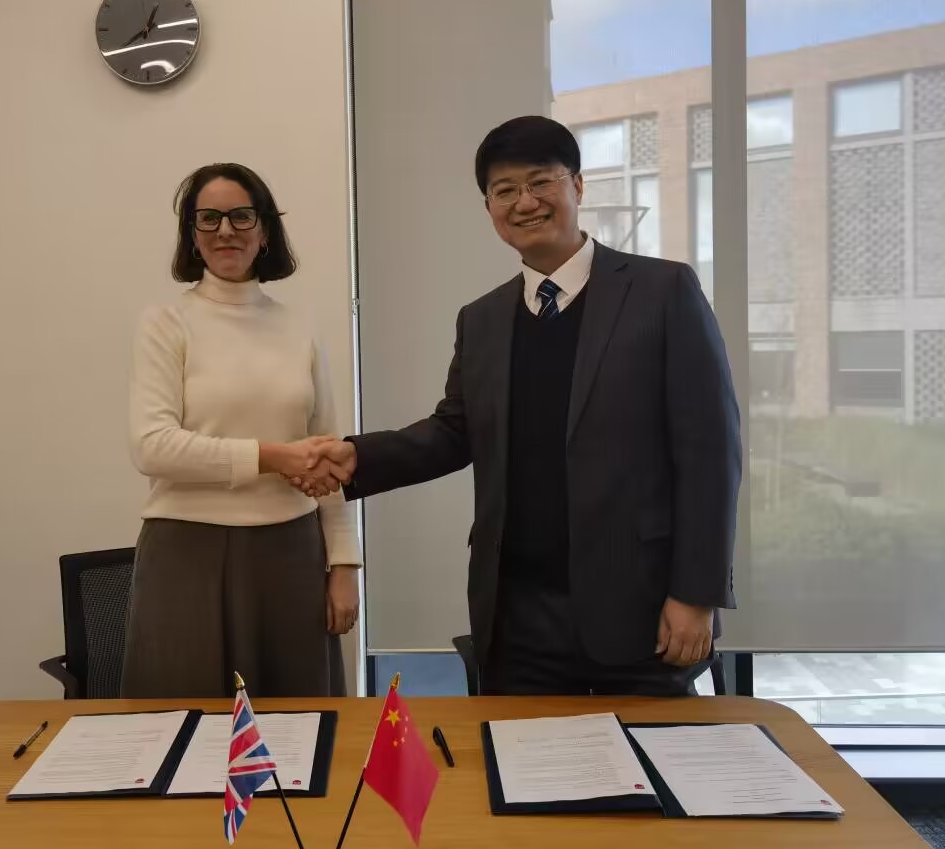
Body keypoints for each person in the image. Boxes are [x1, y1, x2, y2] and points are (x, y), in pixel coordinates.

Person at [300, 116, 741, 696]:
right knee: (521, 755)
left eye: (540, 182)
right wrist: (356, 457)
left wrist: (696, 593)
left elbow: (710, 453)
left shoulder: (663, 292)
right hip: (517, 618)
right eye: (504, 190)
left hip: (641, 610)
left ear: (576, 186)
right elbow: (455, 431)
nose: (524, 202)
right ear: (489, 208)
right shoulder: (482, 319)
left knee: (645, 757)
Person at [122, 163, 359, 698]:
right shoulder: (166, 323)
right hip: (187, 553)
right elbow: (151, 447)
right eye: (209, 218)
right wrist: (272, 457)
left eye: (241, 216)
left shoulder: (299, 326)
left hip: (292, 553)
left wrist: (345, 563)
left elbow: (328, 453)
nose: (225, 230)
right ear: (192, 235)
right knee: (186, 726)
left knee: (299, 728)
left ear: (265, 230)